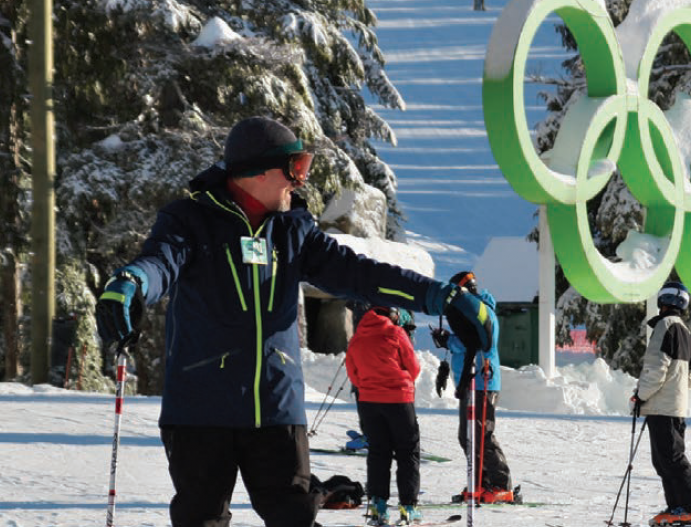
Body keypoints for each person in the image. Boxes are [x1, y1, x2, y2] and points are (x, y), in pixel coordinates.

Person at [94, 116, 493, 527]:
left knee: (295, 518)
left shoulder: (293, 232)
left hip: (276, 409)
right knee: (200, 519)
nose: (299, 182)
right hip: (201, 409)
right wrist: (131, 282)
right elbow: (159, 263)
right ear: (258, 171)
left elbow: (362, 275)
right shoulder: (189, 221)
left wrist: (440, 296)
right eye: (295, 168)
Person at [432, 271, 514, 504]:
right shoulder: (472, 311)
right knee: (467, 436)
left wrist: (449, 341)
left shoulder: (482, 311)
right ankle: (481, 482)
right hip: (471, 381)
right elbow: (467, 342)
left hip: (483, 381)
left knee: (481, 435)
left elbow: (478, 345)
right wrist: (449, 340)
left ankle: (500, 484)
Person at [633, 280, 691, 527]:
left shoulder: (665, 326)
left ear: (662, 301)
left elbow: (656, 368)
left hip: (662, 406)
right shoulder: (684, 331)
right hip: (673, 406)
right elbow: (689, 375)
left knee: (672, 459)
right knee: (665, 460)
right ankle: (678, 506)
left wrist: (642, 395)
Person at [346, 306, 422, 526]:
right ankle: (408, 507)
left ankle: (378, 507)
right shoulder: (396, 333)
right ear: (392, 317)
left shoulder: (358, 337)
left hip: (369, 402)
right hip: (399, 400)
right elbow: (414, 367)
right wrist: (402, 380)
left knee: (378, 452)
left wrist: (368, 387)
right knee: (408, 452)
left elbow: (352, 371)